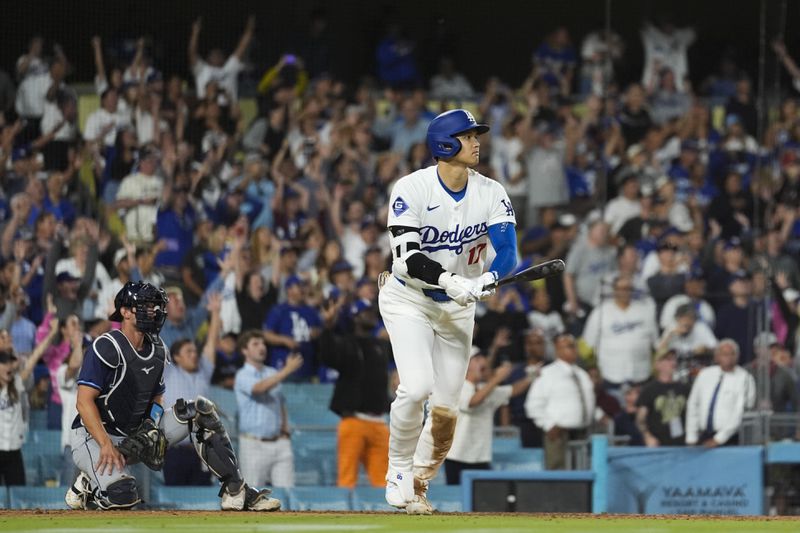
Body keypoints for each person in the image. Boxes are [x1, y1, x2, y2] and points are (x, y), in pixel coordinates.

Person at [379, 109, 518, 514]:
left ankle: (419, 484)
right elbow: (406, 258)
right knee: (416, 386)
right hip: (409, 298)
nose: (477, 141)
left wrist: (489, 278)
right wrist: (450, 281)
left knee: (445, 412)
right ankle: (398, 470)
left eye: (477, 135)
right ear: (444, 143)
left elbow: (507, 251)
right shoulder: (411, 188)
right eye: (468, 135)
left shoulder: (491, 191)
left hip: (459, 308)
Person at [65, 281, 280, 511]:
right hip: (94, 437)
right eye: (145, 306)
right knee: (122, 495)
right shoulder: (106, 346)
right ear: (125, 312)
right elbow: (83, 402)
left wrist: (150, 424)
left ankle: (236, 491)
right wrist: (105, 444)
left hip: (132, 437)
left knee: (199, 411)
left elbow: (157, 397)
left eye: (154, 306)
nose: (152, 311)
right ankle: (87, 486)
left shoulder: (158, 349)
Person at [319, 297, 392, 489]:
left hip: (379, 421)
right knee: (347, 479)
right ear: (355, 317)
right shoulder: (346, 344)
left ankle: (386, 518)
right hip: (353, 420)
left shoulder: (381, 345)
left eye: (371, 311)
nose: (371, 315)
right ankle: (342, 517)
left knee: (383, 482)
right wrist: (327, 327)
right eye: (365, 312)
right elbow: (327, 356)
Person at [444, 352, 531, 485]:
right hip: (457, 456)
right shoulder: (456, 387)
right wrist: (496, 378)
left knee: (482, 500)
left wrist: (532, 377)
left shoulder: (486, 389)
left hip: (480, 456)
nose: (482, 361)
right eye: (477, 358)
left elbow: (513, 390)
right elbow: (472, 402)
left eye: (482, 357)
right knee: (459, 499)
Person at [234, 330, 302, 488]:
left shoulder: (272, 372)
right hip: (253, 444)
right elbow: (259, 388)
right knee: (252, 496)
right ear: (244, 350)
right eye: (255, 344)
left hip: (279, 442)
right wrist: (286, 370)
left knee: (287, 493)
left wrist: (285, 431)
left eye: (263, 343)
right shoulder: (242, 375)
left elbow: (280, 403)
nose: (262, 347)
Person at [525, 333, 594, 470]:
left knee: (582, 472)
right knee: (558, 474)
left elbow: (588, 399)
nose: (574, 350)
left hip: (583, 433)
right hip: (558, 434)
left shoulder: (582, 374)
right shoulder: (547, 373)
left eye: (574, 346)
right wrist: (548, 425)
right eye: (569, 347)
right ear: (558, 349)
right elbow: (532, 405)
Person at [685, 339, 756, 447]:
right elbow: (693, 404)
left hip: (730, 439)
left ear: (737, 356)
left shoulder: (745, 378)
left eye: (732, 354)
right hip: (703, 436)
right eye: (724, 354)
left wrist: (719, 439)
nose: (729, 357)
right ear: (717, 356)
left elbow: (740, 412)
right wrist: (691, 436)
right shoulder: (705, 374)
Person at [636, 348, 691, 447]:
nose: (673, 363)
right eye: (668, 359)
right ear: (658, 364)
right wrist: (647, 436)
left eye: (674, 359)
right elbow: (640, 418)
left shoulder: (684, 388)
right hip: (658, 443)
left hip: (682, 443)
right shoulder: (649, 390)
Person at [0, 350, 26, 486]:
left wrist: (51, 334)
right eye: (4, 363)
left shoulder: (17, 383)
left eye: (10, 362)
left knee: (19, 498)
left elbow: (33, 360)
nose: (9, 366)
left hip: (14, 451)